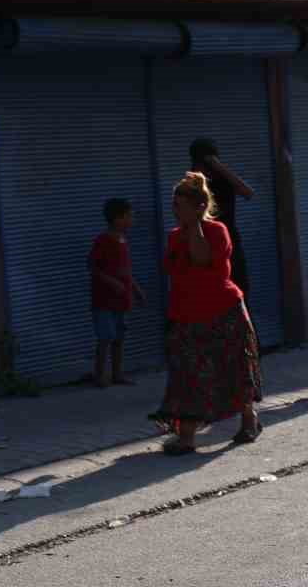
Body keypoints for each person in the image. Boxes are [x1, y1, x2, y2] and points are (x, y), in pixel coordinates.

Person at [150, 172, 262, 455]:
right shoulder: (174, 237)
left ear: (199, 207)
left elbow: (201, 258)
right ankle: (186, 437)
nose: (176, 212)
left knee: (234, 369)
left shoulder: (217, 231)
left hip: (224, 311)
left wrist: (195, 225)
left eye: (181, 205)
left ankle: (249, 420)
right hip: (186, 315)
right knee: (186, 374)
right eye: (174, 206)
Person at [89, 197, 145, 388]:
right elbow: (93, 268)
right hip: (104, 300)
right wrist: (112, 283)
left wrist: (136, 289)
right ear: (116, 219)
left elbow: (126, 271)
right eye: (128, 216)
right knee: (105, 337)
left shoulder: (123, 240)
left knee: (119, 338)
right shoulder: (104, 240)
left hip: (122, 300)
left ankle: (117, 374)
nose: (132, 220)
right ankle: (99, 376)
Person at [189, 137, 257, 295]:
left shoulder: (223, 179)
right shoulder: (193, 184)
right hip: (205, 244)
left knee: (238, 288)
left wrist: (218, 166)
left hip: (228, 240)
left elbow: (248, 192)